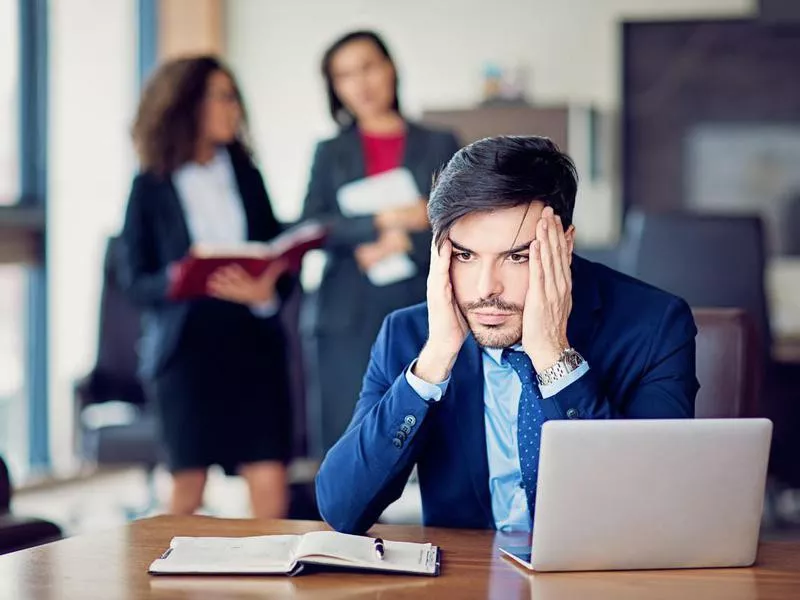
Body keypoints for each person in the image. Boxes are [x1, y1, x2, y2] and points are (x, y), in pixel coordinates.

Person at [316, 136, 699, 534]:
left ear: (564, 244)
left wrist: (553, 357)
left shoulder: (655, 324)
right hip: (465, 579)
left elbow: (649, 512)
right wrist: (434, 363)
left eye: (517, 257)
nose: (486, 288)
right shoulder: (409, 333)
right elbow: (342, 508)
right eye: (465, 256)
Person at [119, 56, 294, 519]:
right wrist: (177, 279)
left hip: (252, 343)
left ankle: (273, 584)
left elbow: (278, 255)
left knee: (269, 477)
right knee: (188, 487)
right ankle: (165, 588)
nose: (233, 108)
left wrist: (266, 291)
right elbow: (133, 279)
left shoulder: (247, 175)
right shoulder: (150, 186)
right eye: (222, 96)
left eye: (233, 97)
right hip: (187, 349)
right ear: (188, 105)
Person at [301, 30, 461, 456]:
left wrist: (405, 241)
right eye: (345, 75)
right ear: (335, 88)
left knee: (438, 435)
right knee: (349, 440)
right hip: (346, 314)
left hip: (420, 304)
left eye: (369, 66)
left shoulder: (440, 142)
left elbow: (464, 218)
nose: (362, 83)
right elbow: (313, 225)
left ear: (390, 67)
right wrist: (382, 221)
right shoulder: (329, 151)